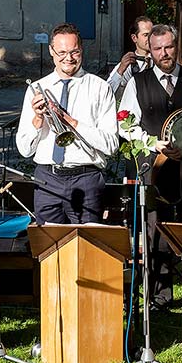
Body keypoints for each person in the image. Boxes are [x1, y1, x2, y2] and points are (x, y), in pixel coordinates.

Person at [118, 23, 182, 309]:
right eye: (158, 48)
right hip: (154, 168)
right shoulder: (138, 82)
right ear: (149, 51)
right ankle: (159, 297)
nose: (164, 53)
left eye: (169, 47)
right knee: (155, 230)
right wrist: (153, 144)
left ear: (177, 47)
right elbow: (124, 125)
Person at [16, 22, 120, 224]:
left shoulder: (100, 88)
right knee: (48, 247)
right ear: (51, 52)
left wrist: (71, 121)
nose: (68, 58)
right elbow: (24, 150)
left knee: (86, 248)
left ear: (81, 50)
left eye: (74, 52)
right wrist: (38, 118)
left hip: (86, 177)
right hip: (47, 178)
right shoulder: (37, 88)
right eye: (62, 52)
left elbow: (111, 145)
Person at [107, 15, 154, 101]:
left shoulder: (160, 61)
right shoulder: (127, 64)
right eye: (146, 35)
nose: (150, 38)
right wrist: (120, 70)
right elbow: (108, 94)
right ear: (134, 38)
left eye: (152, 34)